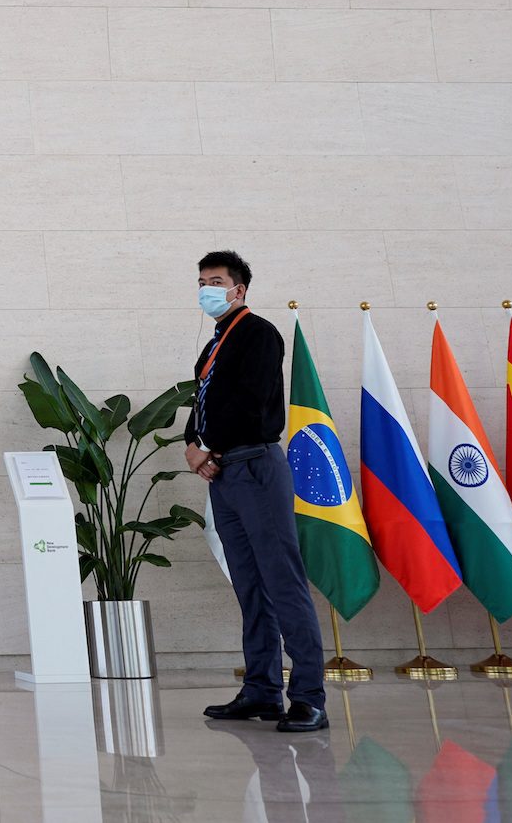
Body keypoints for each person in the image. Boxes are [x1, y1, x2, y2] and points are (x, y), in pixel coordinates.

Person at [184, 250, 327, 732]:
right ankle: (262, 689)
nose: (207, 288)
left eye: (216, 280)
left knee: (282, 581)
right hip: (224, 474)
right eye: (202, 280)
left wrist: (212, 450)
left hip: (255, 468)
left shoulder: (258, 334)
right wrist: (193, 444)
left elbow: (252, 404)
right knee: (248, 583)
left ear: (238, 289)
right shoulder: (214, 344)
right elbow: (201, 403)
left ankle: (308, 695)